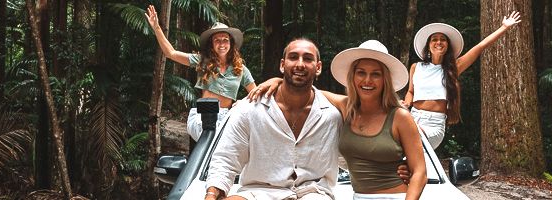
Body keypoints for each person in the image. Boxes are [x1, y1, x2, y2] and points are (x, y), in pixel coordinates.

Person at [250, 40, 427, 200]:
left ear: (385, 80)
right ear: (353, 76)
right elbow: (307, 90)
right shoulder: (345, 108)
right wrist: (278, 82)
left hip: (397, 196)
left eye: (376, 74)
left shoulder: (400, 117)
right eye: (361, 73)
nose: (367, 80)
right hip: (358, 197)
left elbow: (420, 172)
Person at [205, 39, 341, 200]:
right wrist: (212, 194)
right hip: (258, 193)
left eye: (308, 58)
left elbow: (357, 156)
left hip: (314, 194)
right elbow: (226, 160)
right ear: (282, 65)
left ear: (318, 67)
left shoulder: (332, 116)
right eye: (293, 57)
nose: (300, 64)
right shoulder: (249, 110)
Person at [402, 11, 522, 149]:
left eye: (443, 39)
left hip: (433, 124)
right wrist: (405, 103)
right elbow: (411, 92)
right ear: (428, 45)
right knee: (404, 154)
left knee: (413, 142)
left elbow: (479, 47)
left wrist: (504, 28)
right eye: (434, 39)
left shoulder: (453, 68)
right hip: (413, 118)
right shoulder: (416, 67)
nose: (439, 42)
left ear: (447, 46)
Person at [146, 5, 256, 141]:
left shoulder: (241, 69)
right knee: (210, 145)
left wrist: (243, 102)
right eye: (217, 40)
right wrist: (156, 27)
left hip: (226, 117)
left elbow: (256, 93)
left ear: (231, 43)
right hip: (203, 116)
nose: (222, 44)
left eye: (225, 40)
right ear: (212, 44)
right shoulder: (202, 61)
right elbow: (171, 53)